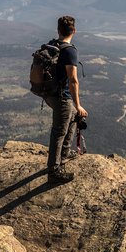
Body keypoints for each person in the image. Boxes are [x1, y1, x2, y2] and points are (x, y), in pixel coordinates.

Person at [45, 15, 88, 184]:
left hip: (49, 94)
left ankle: (64, 154)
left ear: (58, 30)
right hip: (62, 97)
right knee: (59, 132)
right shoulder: (69, 50)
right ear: (74, 31)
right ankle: (54, 171)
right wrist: (78, 105)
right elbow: (73, 80)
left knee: (72, 120)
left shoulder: (53, 45)